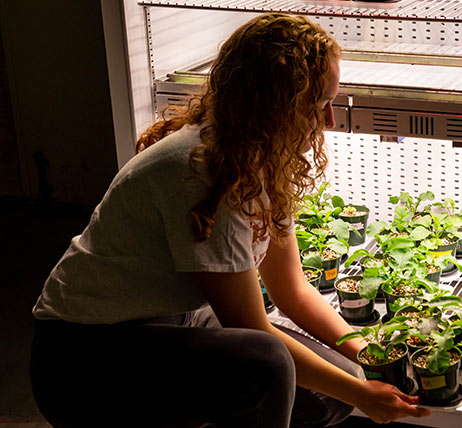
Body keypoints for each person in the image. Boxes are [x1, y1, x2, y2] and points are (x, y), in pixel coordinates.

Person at [29, 13, 430, 428]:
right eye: (319, 106)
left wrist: (369, 356)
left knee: (334, 384)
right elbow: (251, 328)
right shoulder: (203, 174)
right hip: (84, 356)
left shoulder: (262, 160)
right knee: (269, 365)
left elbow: (291, 289)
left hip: (169, 323)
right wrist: (364, 395)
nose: (329, 122)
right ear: (277, 107)